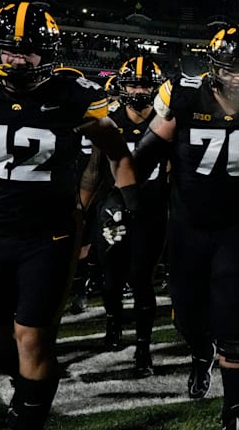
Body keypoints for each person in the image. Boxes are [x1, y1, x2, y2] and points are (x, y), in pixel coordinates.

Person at [0, 2, 137, 430]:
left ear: (48, 54)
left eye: (28, 51)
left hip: (50, 235)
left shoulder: (74, 95)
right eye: (8, 50)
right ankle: (36, 383)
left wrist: (131, 204)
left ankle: (28, 411)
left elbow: (117, 151)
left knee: (32, 337)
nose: (17, 60)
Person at [131, 25, 239, 430]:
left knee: (236, 323)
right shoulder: (185, 95)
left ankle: (234, 411)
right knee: (187, 317)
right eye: (231, 68)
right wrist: (129, 202)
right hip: (188, 229)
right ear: (214, 66)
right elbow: (143, 157)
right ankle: (201, 351)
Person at [78, 56, 169, 376]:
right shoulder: (110, 119)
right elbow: (93, 170)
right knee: (112, 278)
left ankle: (143, 347)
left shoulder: (166, 122)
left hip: (150, 210)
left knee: (142, 279)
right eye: (133, 84)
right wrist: (81, 211)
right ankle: (113, 323)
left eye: (144, 85)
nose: (139, 90)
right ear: (122, 86)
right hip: (113, 208)